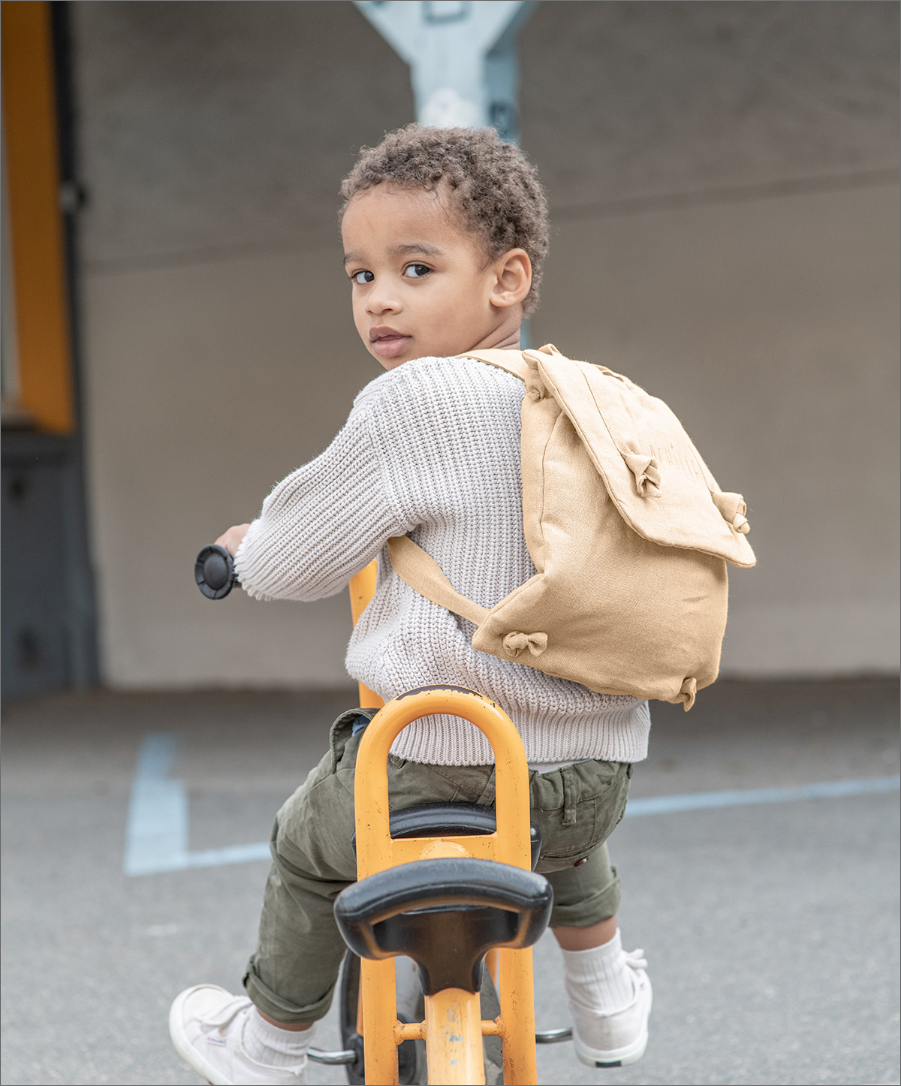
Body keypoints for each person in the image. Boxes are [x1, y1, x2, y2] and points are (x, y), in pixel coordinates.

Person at [169, 124, 652, 1086]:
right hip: (593, 769)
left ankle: (266, 1041)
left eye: (415, 267)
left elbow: (303, 553)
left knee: (310, 845)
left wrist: (241, 558)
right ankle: (604, 1004)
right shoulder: (594, 397)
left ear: (506, 279)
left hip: (432, 764)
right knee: (562, 836)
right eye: (360, 275)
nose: (380, 296)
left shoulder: (414, 401)